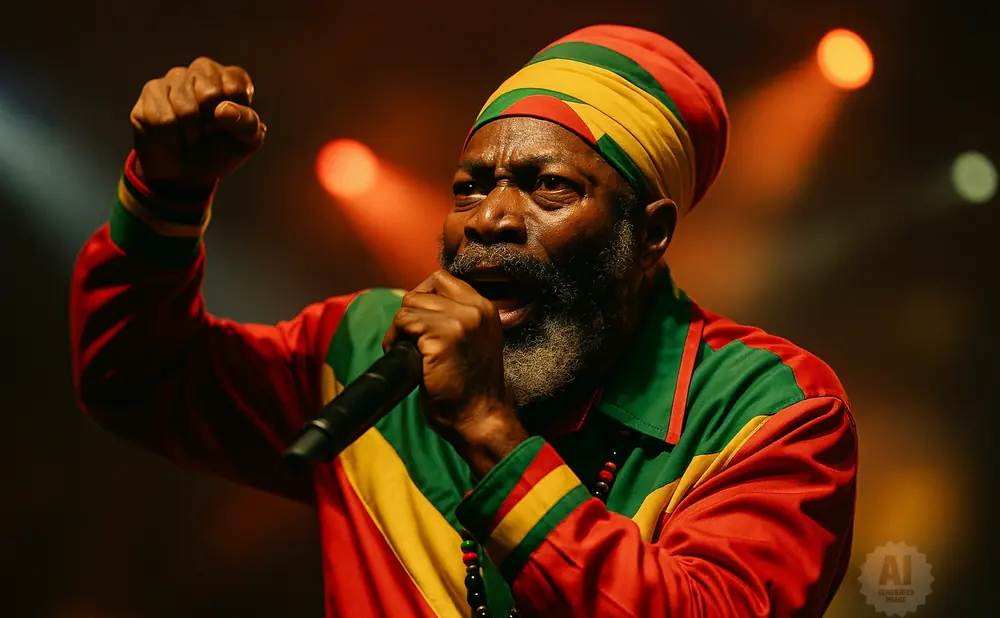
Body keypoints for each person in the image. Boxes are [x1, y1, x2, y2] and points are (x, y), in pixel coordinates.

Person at [70, 24, 857, 618]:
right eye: (469, 186)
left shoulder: (771, 408)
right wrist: (165, 194)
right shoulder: (368, 347)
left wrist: (487, 425)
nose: (489, 220)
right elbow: (138, 379)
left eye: (547, 186)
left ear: (649, 233)